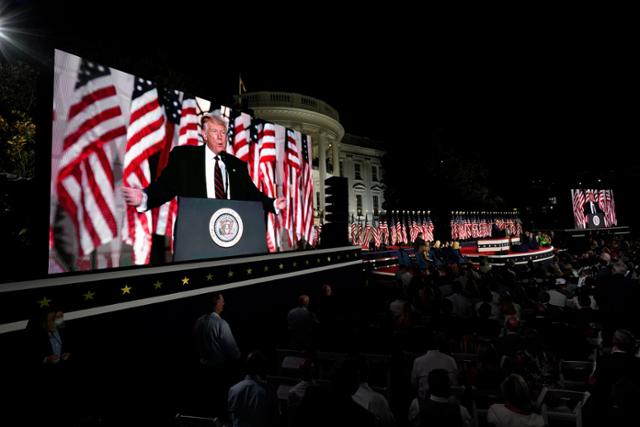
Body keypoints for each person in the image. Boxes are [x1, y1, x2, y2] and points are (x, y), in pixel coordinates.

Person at [122, 114, 286, 213]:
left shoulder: (237, 165)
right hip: (196, 232)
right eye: (215, 132)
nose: (221, 137)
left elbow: (251, 194)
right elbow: (165, 187)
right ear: (205, 135)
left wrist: (272, 203)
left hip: (229, 230)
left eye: (223, 132)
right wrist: (144, 196)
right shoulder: (184, 157)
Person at [193, 292, 242, 417]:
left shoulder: (198, 321)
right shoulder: (221, 324)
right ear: (216, 304)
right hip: (220, 370)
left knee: (209, 403)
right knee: (222, 403)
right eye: (222, 301)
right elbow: (233, 352)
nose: (224, 303)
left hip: (203, 369)